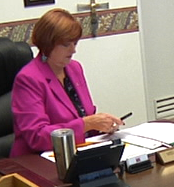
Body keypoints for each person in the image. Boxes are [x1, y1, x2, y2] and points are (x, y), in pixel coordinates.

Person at [10, 9, 123, 157]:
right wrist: (87, 124)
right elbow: (37, 137)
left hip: (77, 152)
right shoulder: (28, 78)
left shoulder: (75, 68)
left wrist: (103, 125)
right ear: (47, 44)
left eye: (75, 43)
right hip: (39, 161)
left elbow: (85, 113)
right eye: (66, 44)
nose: (73, 50)